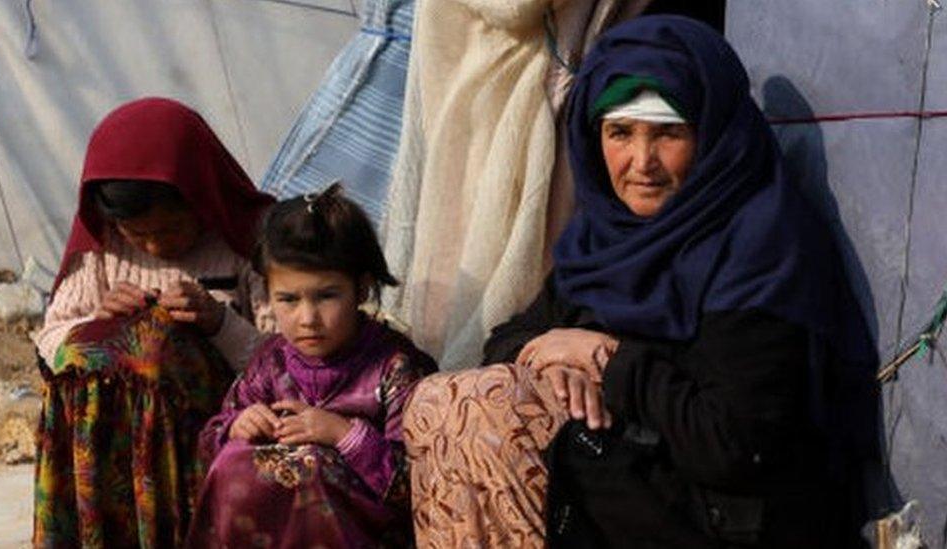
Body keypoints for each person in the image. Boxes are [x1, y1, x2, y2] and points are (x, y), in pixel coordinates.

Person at [403, 15, 878, 548]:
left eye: (669, 133)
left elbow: (733, 443)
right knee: (445, 401)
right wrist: (560, 361)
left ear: (711, 134)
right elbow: (509, 340)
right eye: (620, 133)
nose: (641, 162)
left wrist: (608, 360)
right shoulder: (606, 238)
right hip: (628, 477)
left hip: (730, 515)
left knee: (488, 409)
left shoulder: (761, 245)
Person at [32, 97, 276, 547]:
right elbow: (51, 338)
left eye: (171, 229)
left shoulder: (250, 238)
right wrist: (96, 322)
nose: (157, 247)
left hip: (211, 428)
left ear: (202, 199)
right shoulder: (102, 245)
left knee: (155, 346)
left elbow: (286, 356)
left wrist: (218, 321)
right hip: (115, 451)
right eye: (139, 236)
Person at [186, 184, 437, 548]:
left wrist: (342, 435)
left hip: (362, 535)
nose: (307, 319)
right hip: (272, 534)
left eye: (327, 296)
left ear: (362, 289)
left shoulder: (396, 367)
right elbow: (210, 446)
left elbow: (419, 483)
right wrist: (236, 426)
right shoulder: (271, 362)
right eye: (287, 299)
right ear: (268, 294)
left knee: (309, 466)